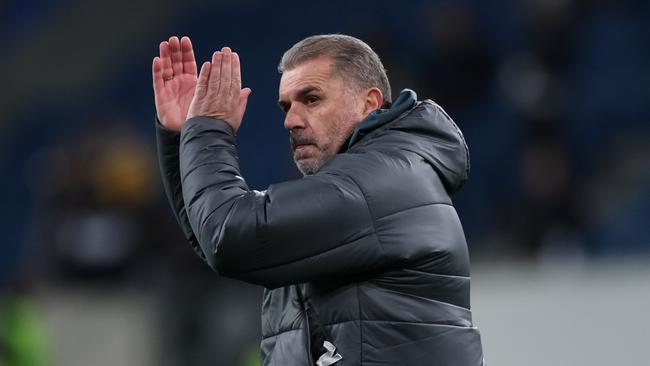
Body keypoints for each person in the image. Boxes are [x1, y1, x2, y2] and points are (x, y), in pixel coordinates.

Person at [153, 34, 484, 366]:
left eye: (310, 99)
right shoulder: (362, 186)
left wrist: (207, 131)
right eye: (286, 106)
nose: (290, 120)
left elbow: (231, 236)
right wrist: (185, 138)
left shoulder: (384, 182)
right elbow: (214, 235)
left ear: (368, 104)